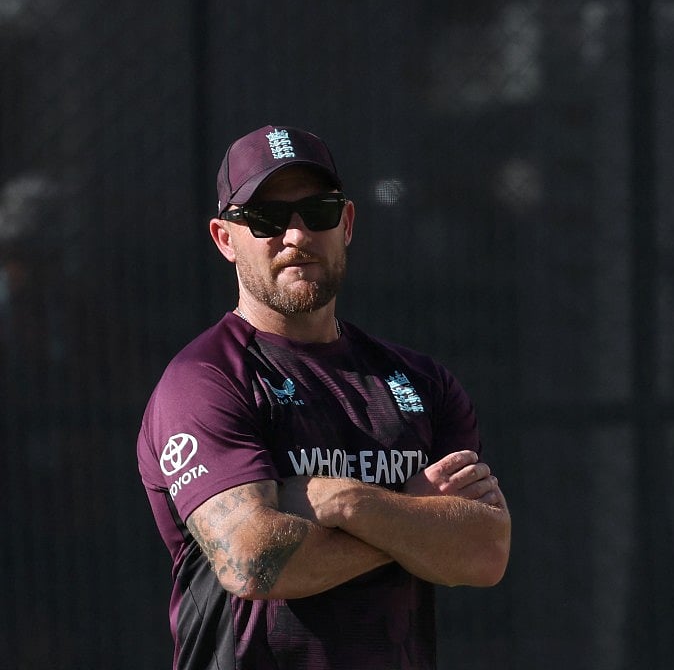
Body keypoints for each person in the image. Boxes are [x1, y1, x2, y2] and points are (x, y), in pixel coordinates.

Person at [137, 125, 511, 669]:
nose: (296, 235)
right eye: (266, 218)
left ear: (347, 223)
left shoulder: (422, 381)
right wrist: (412, 519)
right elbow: (252, 561)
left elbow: (484, 552)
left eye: (319, 211)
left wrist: (345, 501)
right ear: (224, 238)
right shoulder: (205, 378)